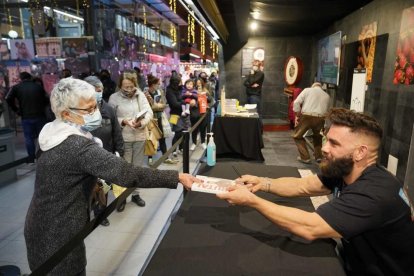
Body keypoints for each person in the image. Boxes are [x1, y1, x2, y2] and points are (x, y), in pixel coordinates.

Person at [24, 78, 199, 275]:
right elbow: (126, 173)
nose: (96, 113)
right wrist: (176, 177)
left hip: (42, 224)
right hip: (58, 235)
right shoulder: (76, 146)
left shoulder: (50, 132)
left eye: (95, 106)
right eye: (88, 110)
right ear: (66, 114)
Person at [217, 108, 414, 276]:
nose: (325, 149)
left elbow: (309, 228)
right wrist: (263, 183)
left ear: (360, 152)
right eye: (326, 140)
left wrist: (252, 201)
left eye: (334, 144)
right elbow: (304, 186)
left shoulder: (375, 193)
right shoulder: (348, 170)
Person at [84, 75, 124, 226]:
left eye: (99, 90)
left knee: (104, 186)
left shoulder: (109, 109)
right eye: (94, 90)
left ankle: (101, 212)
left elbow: (117, 133)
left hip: (106, 153)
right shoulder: (80, 110)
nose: (97, 93)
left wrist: (120, 151)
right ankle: (89, 212)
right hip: (86, 155)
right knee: (88, 186)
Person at [108, 72, 151, 209]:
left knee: (137, 167)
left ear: (135, 84)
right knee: (125, 167)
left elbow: (148, 112)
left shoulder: (140, 95)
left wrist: (142, 122)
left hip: (139, 135)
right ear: (120, 85)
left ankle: (135, 193)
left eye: (131, 86)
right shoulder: (114, 98)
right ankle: (122, 196)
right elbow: (110, 118)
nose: (128, 89)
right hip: (124, 137)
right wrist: (124, 121)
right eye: (125, 87)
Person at [6, 72, 48, 163]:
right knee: (42, 136)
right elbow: (46, 100)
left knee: (29, 138)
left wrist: (16, 109)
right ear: (30, 77)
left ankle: (32, 158)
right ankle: (43, 157)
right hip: (40, 115)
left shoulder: (16, 87)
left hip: (26, 116)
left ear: (21, 78)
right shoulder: (38, 87)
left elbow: (8, 98)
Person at [143, 74, 178, 165]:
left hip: (159, 117)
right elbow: (146, 107)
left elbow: (163, 105)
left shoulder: (160, 91)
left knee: (162, 137)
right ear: (153, 84)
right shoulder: (145, 93)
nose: (159, 85)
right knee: (151, 138)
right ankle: (150, 158)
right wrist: (155, 105)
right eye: (158, 84)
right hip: (150, 119)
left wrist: (156, 106)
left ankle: (165, 156)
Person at [292, 82, 330, 164]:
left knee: (297, 136)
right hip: (321, 118)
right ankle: (319, 157)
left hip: (307, 116)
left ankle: (305, 157)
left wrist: (297, 114)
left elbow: (296, 102)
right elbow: (327, 111)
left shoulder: (307, 90)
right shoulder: (327, 95)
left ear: (313, 86)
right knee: (317, 137)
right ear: (321, 87)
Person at [189, 77, 213, 151]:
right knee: (194, 128)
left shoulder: (205, 91)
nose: (198, 85)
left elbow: (210, 99)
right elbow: (188, 100)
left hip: (203, 112)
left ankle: (203, 142)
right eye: (197, 83)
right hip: (194, 112)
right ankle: (194, 143)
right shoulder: (192, 91)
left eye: (200, 83)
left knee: (203, 128)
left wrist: (204, 96)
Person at [166, 74, 186, 157]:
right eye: (179, 82)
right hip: (175, 114)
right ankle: (174, 150)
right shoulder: (169, 91)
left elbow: (180, 99)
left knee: (182, 132)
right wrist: (184, 102)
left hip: (182, 113)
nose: (180, 83)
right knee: (177, 132)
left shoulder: (178, 89)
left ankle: (181, 148)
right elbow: (174, 104)